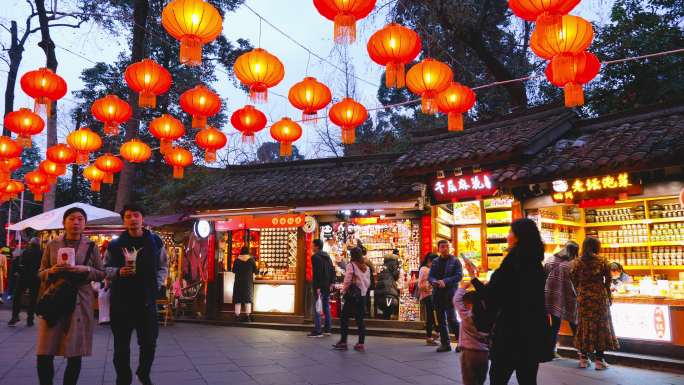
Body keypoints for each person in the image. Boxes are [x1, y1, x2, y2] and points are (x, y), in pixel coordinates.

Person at [468, 218, 551, 385]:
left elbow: (492, 296)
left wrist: (474, 279)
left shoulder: (512, 262)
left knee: (498, 376)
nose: (507, 236)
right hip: (532, 330)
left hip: (510, 331)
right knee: (528, 378)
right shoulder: (537, 263)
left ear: (518, 236)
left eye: (510, 232)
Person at [36, 207, 105, 385]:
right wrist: (52, 271)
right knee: (45, 351)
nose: (76, 222)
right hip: (54, 301)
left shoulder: (91, 246)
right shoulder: (52, 245)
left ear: (85, 224)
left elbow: (101, 273)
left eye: (80, 219)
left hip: (79, 303)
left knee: (74, 353)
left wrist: (86, 269)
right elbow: (40, 273)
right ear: (64, 222)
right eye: (72, 219)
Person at [105, 203, 169, 385]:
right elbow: (104, 268)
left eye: (136, 215)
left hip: (146, 300)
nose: (132, 219)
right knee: (121, 345)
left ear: (142, 218)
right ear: (124, 220)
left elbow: (163, 266)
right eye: (128, 216)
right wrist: (117, 272)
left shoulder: (155, 242)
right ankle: (123, 378)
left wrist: (155, 285)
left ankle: (143, 372)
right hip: (121, 301)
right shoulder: (115, 244)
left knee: (149, 343)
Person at [571, 237, 619, 370]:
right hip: (599, 298)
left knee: (584, 327)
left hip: (584, 298)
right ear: (597, 247)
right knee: (600, 327)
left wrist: (581, 290)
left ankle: (583, 359)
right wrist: (608, 294)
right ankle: (599, 360)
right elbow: (608, 280)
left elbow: (573, 278)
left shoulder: (577, 262)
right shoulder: (602, 260)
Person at [544, 241, 579, 358]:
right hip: (568, 296)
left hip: (551, 296)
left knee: (554, 325)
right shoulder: (570, 264)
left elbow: (543, 277)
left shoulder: (549, 260)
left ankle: (551, 351)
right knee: (574, 323)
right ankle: (582, 353)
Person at [333, 246, 370, 352]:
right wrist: (363, 290)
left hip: (352, 297)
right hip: (362, 296)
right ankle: (360, 343)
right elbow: (368, 283)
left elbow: (347, 280)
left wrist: (344, 290)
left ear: (352, 255)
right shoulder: (366, 267)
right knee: (360, 320)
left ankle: (343, 341)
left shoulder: (351, 265)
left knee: (344, 318)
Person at [429, 239, 462, 352]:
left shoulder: (455, 260)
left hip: (451, 294)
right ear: (438, 249)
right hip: (438, 294)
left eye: (446, 246)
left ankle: (460, 343)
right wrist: (434, 282)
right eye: (442, 246)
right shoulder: (435, 261)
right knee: (441, 320)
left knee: (452, 319)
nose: (445, 248)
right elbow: (431, 276)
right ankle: (445, 344)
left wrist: (445, 281)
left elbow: (459, 276)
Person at [454, 281, 490, 385]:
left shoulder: (466, 316)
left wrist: (464, 287)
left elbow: (456, 300)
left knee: (469, 381)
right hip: (484, 353)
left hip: (469, 353)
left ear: (469, 305)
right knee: (480, 380)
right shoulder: (487, 316)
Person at [9, 237, 42, 327]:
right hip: (36, 278)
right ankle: (30, 319)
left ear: (31, 243)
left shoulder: (25, 252)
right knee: (33, 298)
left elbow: (20, 263)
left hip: (23, 277)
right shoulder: (41, 253)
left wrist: (18, 272)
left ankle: (15, 316)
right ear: (39, 244)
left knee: (17, 296)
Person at [308, 239, 335, 337]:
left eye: (313, 245)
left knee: (317, 307)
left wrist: (317, 287)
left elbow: (317, 273)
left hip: (319, 285)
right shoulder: (327, 257)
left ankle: (318, 330)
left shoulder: (315, 257)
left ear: (317, 246)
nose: (311, 247)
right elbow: (332, 270)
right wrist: (332, 282)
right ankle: (328, 329)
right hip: (327, 285)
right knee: (326, 307)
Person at [232, 246, 257, 322]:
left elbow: (233, 271)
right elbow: (256, 271)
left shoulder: (237, 260)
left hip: (239, 282)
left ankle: (237, 316)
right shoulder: (251, 260)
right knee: (247, 299)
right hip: (248, 283)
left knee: (238, 299)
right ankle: (248, 316)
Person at [418, 252, 438, 345]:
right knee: (431, 315)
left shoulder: (427, 269)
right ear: (430, 261)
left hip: (430, 294)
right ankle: (430, 336)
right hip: (428, 295)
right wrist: (430, 286)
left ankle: (434, 334)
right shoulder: (425, 269)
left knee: (432, 315)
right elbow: (421, 284)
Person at [374, 252, 400, 319]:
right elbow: (395, 275)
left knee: (386, 312)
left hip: (383, 294)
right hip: (389, 294)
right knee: (388, 311)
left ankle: (385, 321)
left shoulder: (384, 268)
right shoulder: (393, 264)